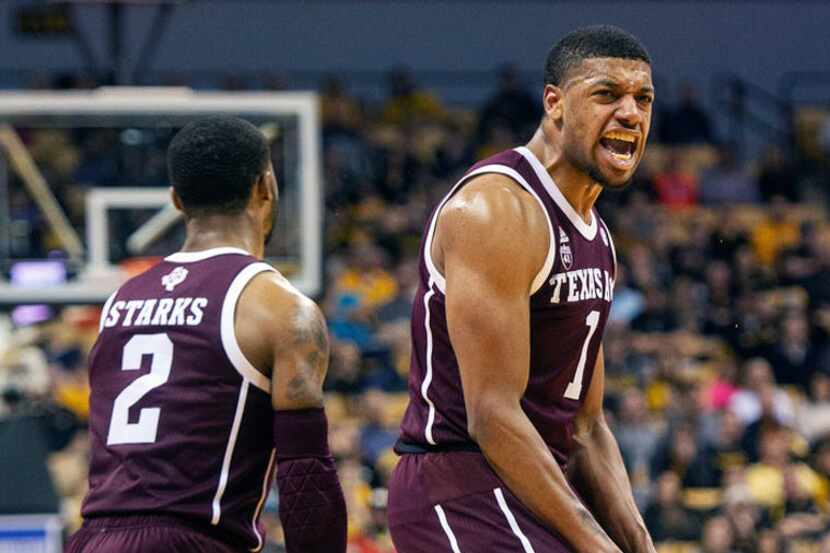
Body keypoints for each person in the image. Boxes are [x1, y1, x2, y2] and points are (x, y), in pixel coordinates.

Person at [388, 25, 657, 553]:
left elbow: (586, 427)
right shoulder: (497, 210)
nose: (630, 113)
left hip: (530, 485)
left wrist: (639, 545)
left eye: (643, 98)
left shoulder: (596, 233)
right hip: (458, 485)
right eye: (607, 94)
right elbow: (492, 416)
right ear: (554, 103)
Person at [67, 116, 347, 553]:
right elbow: (305, 474)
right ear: (265, 186)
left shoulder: (120, 303)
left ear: (176, 199)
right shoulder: (277, 306)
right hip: (192, 538)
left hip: (92, 538)